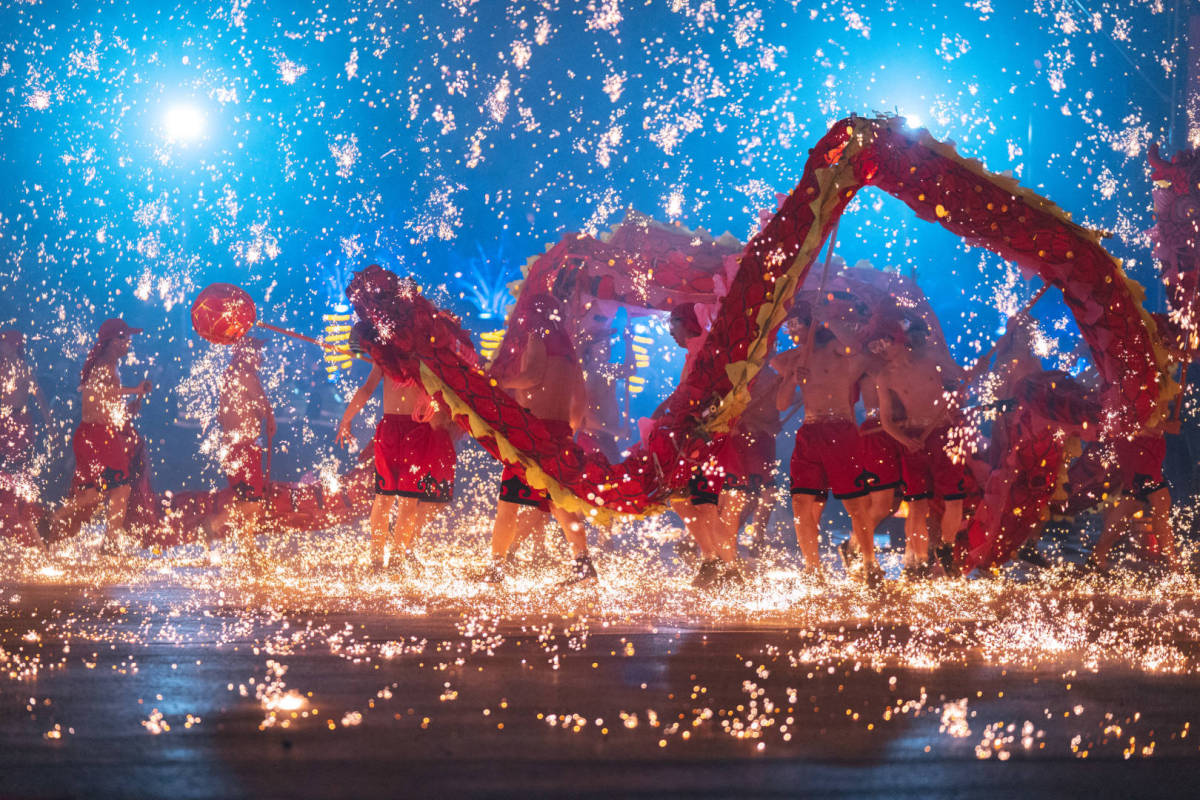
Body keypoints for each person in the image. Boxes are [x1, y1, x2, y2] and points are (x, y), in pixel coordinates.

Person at [483, 292, 597, 586]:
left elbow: (533, 376)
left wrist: (500, 382)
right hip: (558, 432)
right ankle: (583, 564)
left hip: (533, 434)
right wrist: (568, 431)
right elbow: (581, 400)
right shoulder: (570, 351)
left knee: (508, 503)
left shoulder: (539, 337)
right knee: (561, 503)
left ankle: (496, 569)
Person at [774, 296, 884, 582]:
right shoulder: (794, 359)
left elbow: (855, 349)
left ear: (809, 324)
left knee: (855, 504)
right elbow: (782, 404)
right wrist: (791, 379)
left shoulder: (835, 347)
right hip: (810, 432)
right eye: (788, 326)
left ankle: (869, 563)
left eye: (795, 325)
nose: (791, 331)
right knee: (801, 503)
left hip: (840, 430)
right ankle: (813, 569)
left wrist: (830, 320)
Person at [338, 322, 456, 574]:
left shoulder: (421, 357)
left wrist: (346, 418)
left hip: (414, 431)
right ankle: (380, 560)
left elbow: (440, 394)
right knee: (390, 500)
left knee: (399, 501)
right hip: (394, 431)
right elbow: (367, 389)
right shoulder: (391, 357)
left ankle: (392, 560)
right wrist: (346, 418)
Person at [871, 316, 967, 577]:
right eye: (876, 346)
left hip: (945, 434)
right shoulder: (885, 375)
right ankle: (919, 560)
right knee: (916, 504)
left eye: (883, 344)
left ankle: (947, 548)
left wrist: (968, 373)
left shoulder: (930, 358)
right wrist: (906, 441)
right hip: (914, 439)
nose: (881, 350)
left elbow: (961, 378)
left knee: (954, 500)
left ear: (897, 340)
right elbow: (887, 421)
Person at [50, 318, 152, 552]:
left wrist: (130, 406)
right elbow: (97, 392)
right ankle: (111, 544)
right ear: (112, 342)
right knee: (122, 488)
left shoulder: (109, 365)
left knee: (93, 496)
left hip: (92, 434)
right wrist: (135, 390)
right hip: (98, 436)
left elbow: (104, 402)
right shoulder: (104, 365)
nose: (129, 343)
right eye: (125, 338)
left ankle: (51, 520)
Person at [663, 302, 742, 588]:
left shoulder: (706, 352)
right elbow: (683, 393)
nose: (671, 332)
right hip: (691, 438)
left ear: (688, 324)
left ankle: (730, 569)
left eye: (673, 324)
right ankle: (712, 560)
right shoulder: (693, 354)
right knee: (680, 499)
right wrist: (663, 413)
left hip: (707, 438)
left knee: (705, 505)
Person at [205, 336, 276, 569]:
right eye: (257, 352)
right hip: (243, 448)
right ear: (246, 354)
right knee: (253, 501)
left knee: (247, 498)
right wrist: (269, 418)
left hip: (233, 447)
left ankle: (248, 547)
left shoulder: (228, 375)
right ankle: (215, 523)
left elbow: (221, 415)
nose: (261, 358)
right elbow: (265, 406)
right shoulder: (246, 376)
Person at [0, 328, 47, 470]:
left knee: (18, 467)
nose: (1, 346)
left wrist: (50, 425)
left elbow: (41, 399)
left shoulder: (24, 370)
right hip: (2, 420)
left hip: (19, 422)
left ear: (14, 346)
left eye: (4, 343)